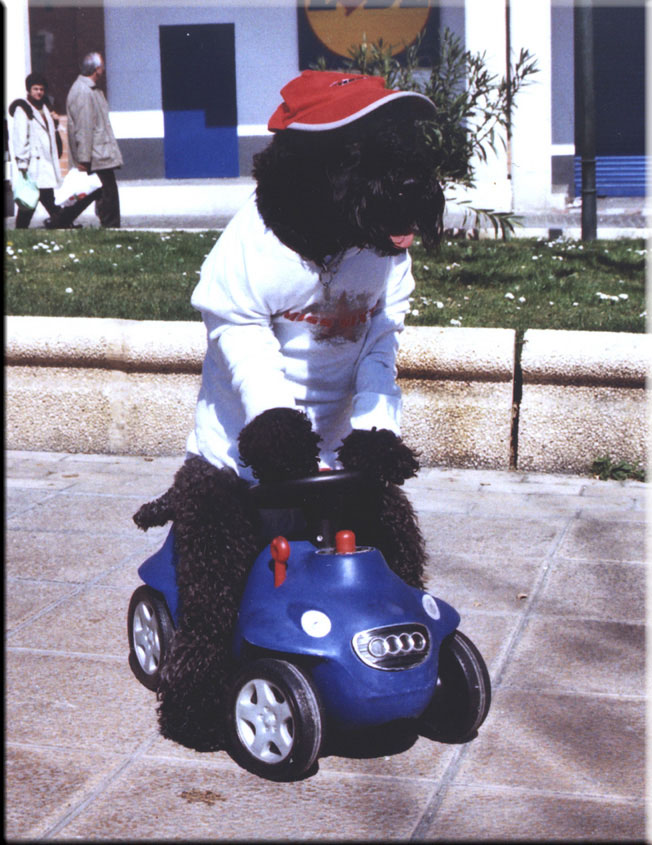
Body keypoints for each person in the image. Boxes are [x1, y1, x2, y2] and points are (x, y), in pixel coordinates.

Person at [61, 51, 123, 228]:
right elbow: (84, 128)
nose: (103, 70)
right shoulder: (83, 92)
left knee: (95, 192)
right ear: (97, 69)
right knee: (107, 193)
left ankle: (61, 220)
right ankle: (111, 228)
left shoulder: (91, 90)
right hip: (95, 155)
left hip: (98, 152)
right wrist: (84, 159)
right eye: (101, 67)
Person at [9, 72, 65, 229]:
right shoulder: (23, 110)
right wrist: (22, 161)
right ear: (29, 90)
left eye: (41, 89)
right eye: (35, 89)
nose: (39, 92)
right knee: (32, 199)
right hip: (34, 163)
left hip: (45, 161)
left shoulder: (45, 107)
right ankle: (60, 223)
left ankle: (60, 222)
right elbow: (20, 138)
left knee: (41, 197)